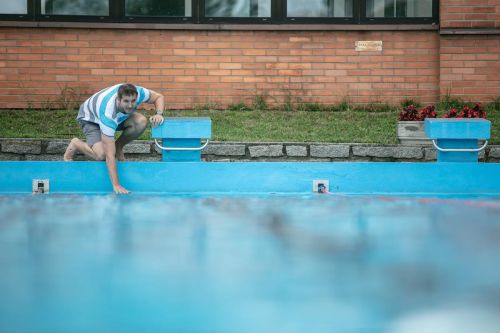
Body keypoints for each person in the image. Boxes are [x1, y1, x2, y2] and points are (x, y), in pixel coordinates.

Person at [64, 83, 165, 194]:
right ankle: (76, 143)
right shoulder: (108, 114)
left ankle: (119, 146)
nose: (131, 105)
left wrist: (159, 114)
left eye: (133, 101)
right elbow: (109, 156)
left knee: (140, 121)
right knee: (102, 155)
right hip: (91, 119)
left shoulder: (139, 92)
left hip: (118, 116)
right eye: (126, 101)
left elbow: (159, 97)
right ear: (118, 99)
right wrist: (116, 185)